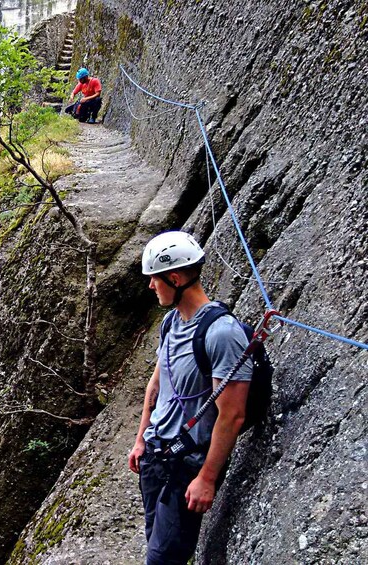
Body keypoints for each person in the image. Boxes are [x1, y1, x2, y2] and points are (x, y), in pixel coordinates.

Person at [128, 231, 252, 564]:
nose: (151, 287)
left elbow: (233, 414)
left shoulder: (222, 334)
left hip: (186, 468)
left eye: (155, 279)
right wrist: (141, 440)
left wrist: (207, 478)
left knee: (163, 559)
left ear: (176, 277)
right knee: (155, 542)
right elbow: (156, 387)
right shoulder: (171, 322)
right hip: (156, 458)